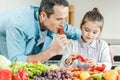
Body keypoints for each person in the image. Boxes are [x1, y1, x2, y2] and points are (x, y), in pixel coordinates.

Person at [0, 0, 81, 63]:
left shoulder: (57, 22)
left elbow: (77, 34)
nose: (63, 24)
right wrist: (52, 51)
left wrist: (88, 35)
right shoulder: (19, 25)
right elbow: (16, 61)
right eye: (59, 19)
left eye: (65, 19)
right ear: (43, 16)